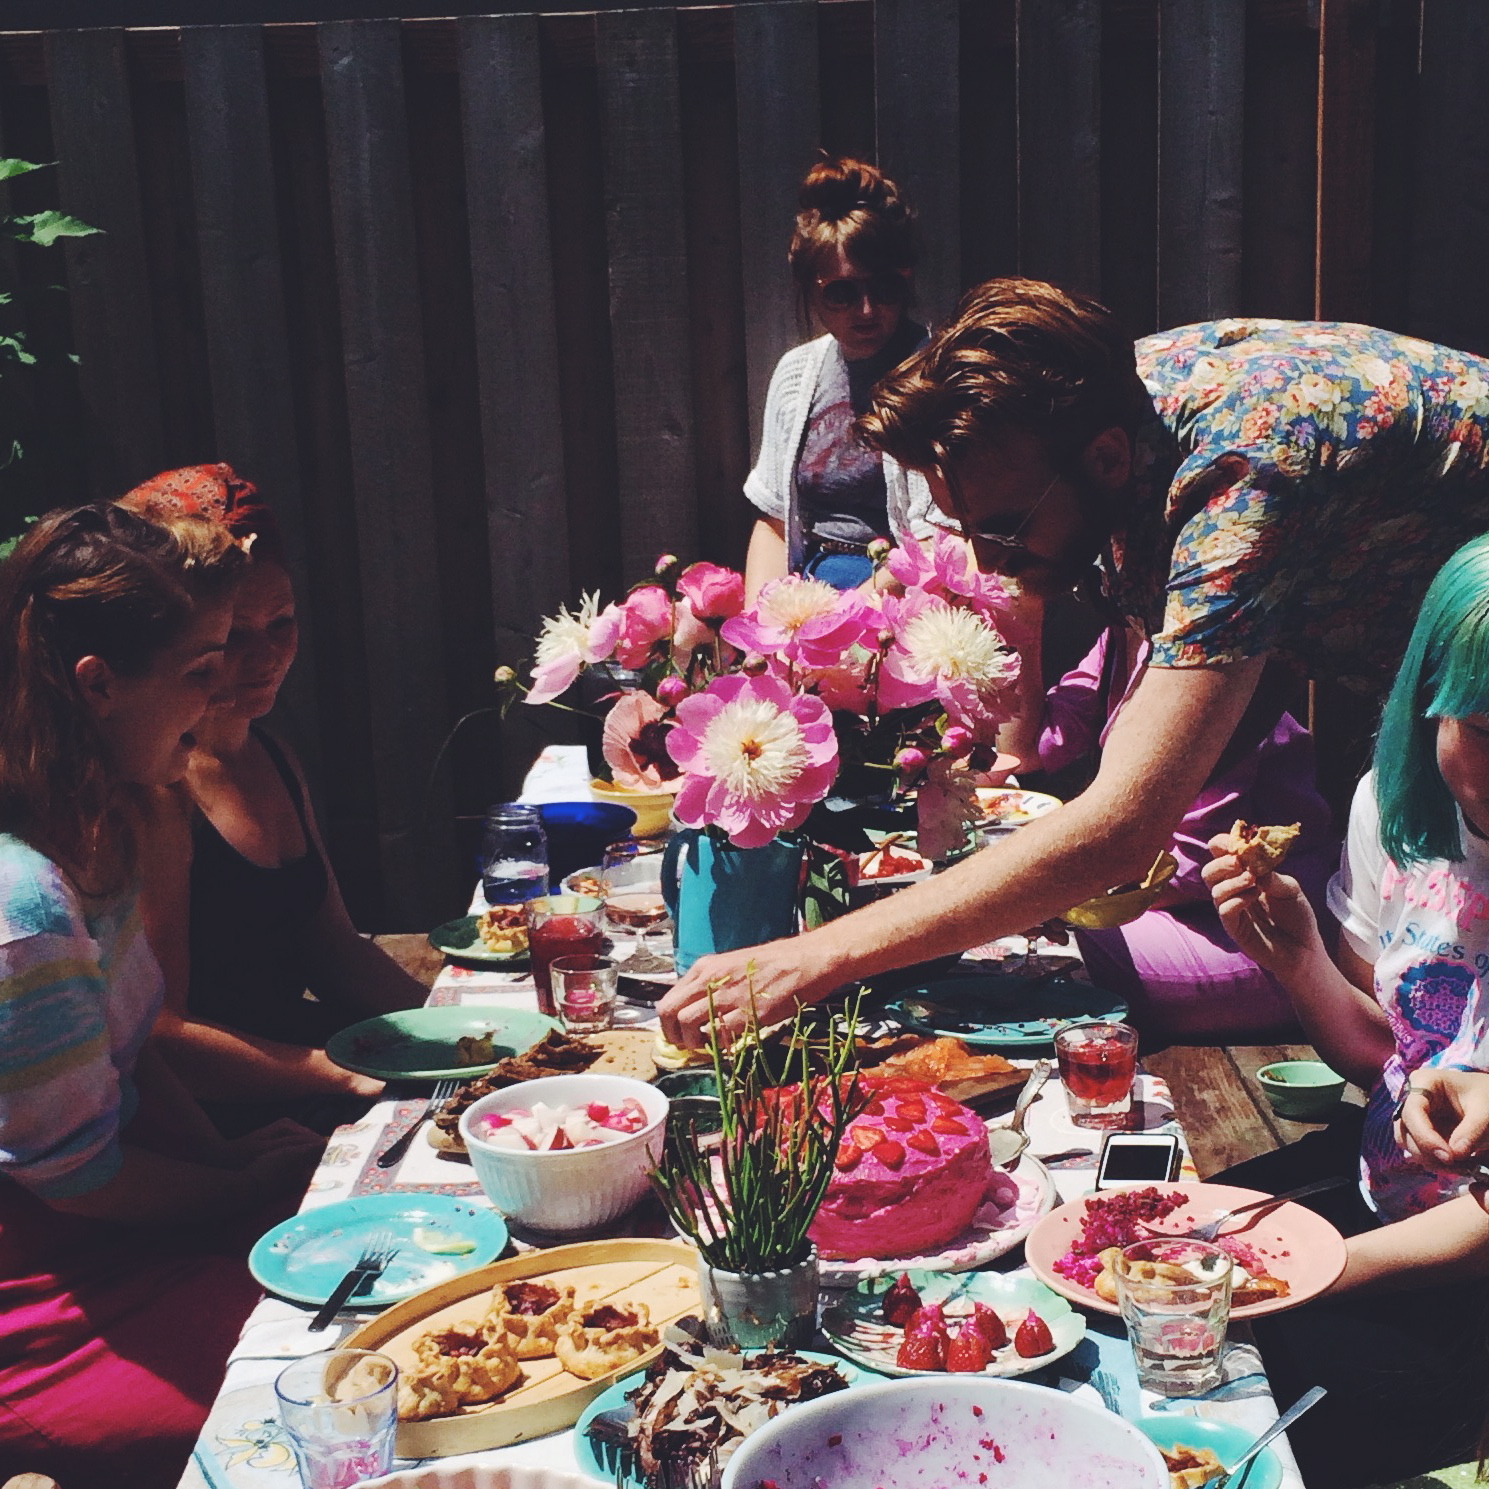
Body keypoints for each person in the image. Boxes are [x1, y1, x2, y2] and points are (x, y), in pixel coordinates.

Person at [659, 279, 1489, 1048]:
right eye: (964, 529)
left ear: (1106, 460)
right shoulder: (1118, 408)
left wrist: (812, 959)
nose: (987, 560)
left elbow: (1122, 830)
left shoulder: (1239, 478)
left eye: (1004, 527)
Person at [0, 503, 324, 1488]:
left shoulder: (100, 826)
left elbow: (136, 1043)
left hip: (123, 1230)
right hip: (45, 1308)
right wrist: (240, 1190)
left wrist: (232, 1160)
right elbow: (79, 1178)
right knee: (327, 1392)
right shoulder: (22, 905)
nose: (221, 691)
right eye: (198, 669)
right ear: (97, 684)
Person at [1194, 534, 1489, 1486]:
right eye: (1488, 725)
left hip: (1466, 1287)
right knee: (1144, 1241)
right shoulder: (1394, 810)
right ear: (1430, 699)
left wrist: (1289, 1279)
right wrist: (1296, 959)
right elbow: (1387, 1060)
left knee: (1226, 1390)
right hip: (1379, 1196)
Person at [118, 465, 428, 1132]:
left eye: (281, 622)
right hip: (226, 1121)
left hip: (312, 1069)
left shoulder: (272, 754)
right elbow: (162, 1037)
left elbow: (334, 949)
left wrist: (463, 1028)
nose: (265, 656)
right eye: (234, 634)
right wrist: (338, 1073)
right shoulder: (152, 790)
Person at [1025, 619, 1334, 1038]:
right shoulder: (1124, 632)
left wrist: (1043, 896)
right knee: (1000, 946)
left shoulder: (1215, 651)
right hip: (1167, 910)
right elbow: (1029, 747)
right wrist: (1021, 616)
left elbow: (1190, 870)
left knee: (1020, 962)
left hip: (1267, 934)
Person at [744, 156, 946, 598]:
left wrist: (847, 616)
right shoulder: (796, 375)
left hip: (905, 594)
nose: (867, 309)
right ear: (809, 289)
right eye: (842, 292)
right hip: (810, 588)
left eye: (885, 287)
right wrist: (760, 620)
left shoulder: (937, 375)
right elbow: (774, 522)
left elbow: (942, 541)